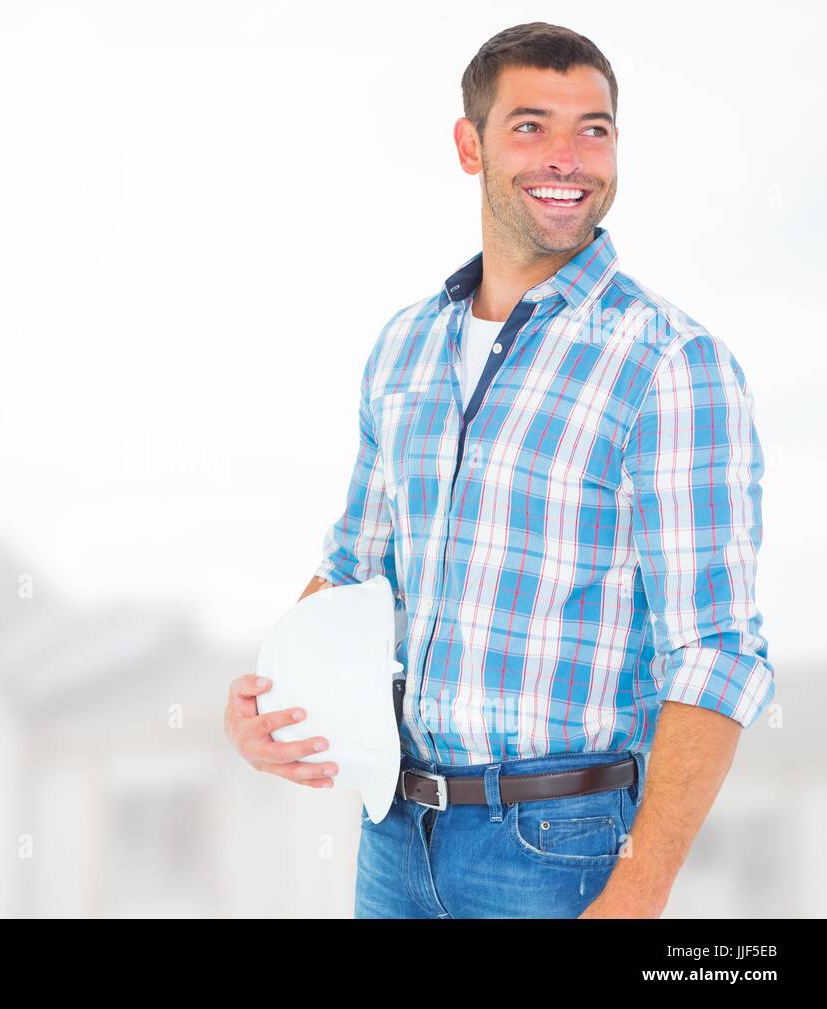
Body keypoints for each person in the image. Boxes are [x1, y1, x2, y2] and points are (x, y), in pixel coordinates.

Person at [223, 21, 774, 918]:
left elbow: (715, 654)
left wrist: (640, 888)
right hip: (395, 833)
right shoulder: (405, 344)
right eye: (530, 125)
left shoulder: (671, 362)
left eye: (593, 128)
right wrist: (272, 697)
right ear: (468, 144)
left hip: (561, 851)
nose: (568, 156)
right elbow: (358, 562)